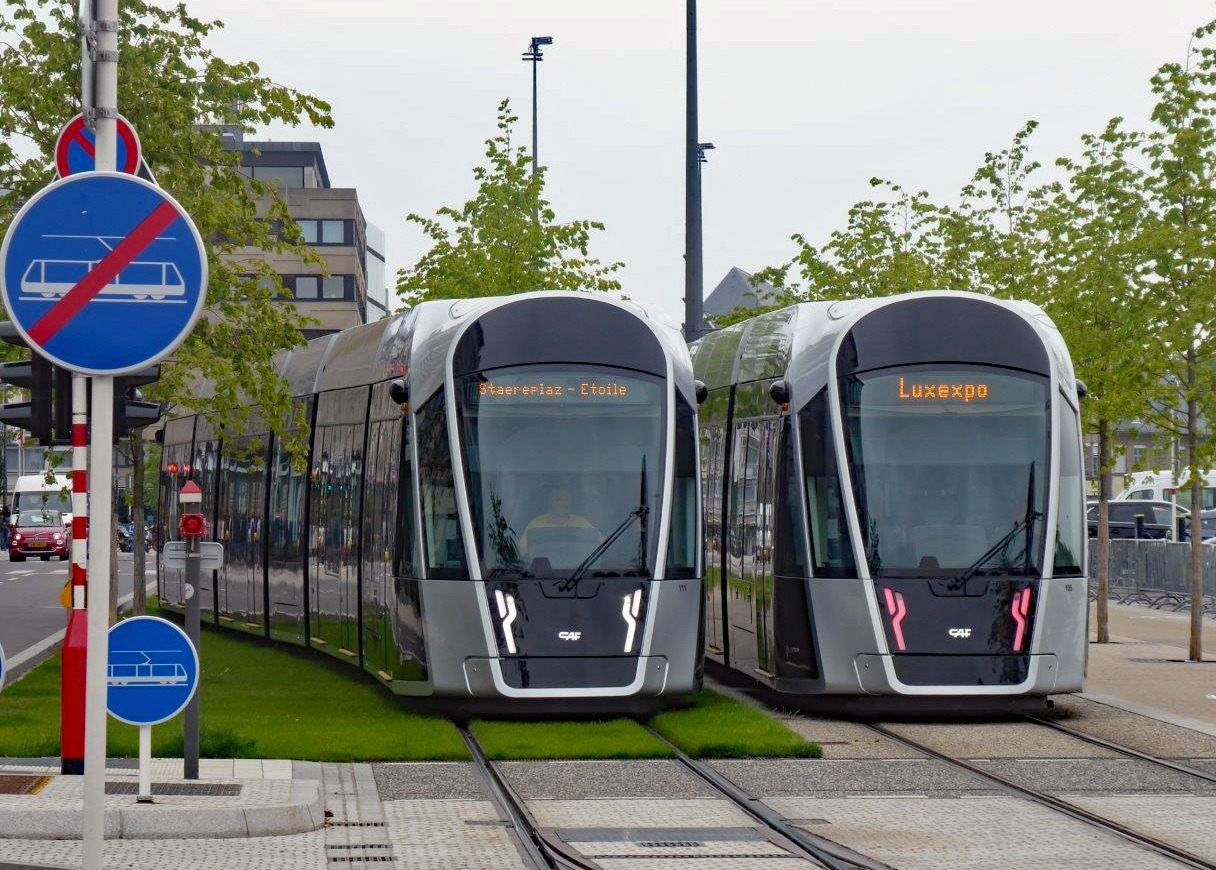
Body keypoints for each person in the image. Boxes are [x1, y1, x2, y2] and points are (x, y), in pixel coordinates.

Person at [519, 485, 601, 559]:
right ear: (550, 501)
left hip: (579, 572)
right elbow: (522, 550)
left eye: (567, 500)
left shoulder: (582, 523)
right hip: (542, 573)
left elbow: (602, 545)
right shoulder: (536, 523)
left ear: (571, 502)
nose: (563, 503)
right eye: (559, 499)